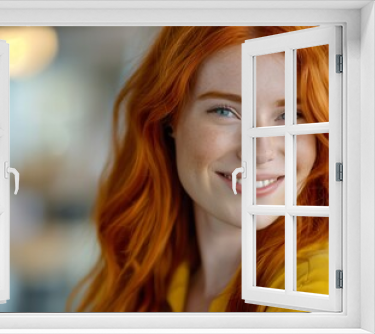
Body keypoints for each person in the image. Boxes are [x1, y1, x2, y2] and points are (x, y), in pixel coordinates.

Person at [66, 26, 329, 312]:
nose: (261, 152)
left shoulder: (313, 291)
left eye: (290, 114)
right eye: (225, 111)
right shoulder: (145, 275)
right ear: (169, 120)